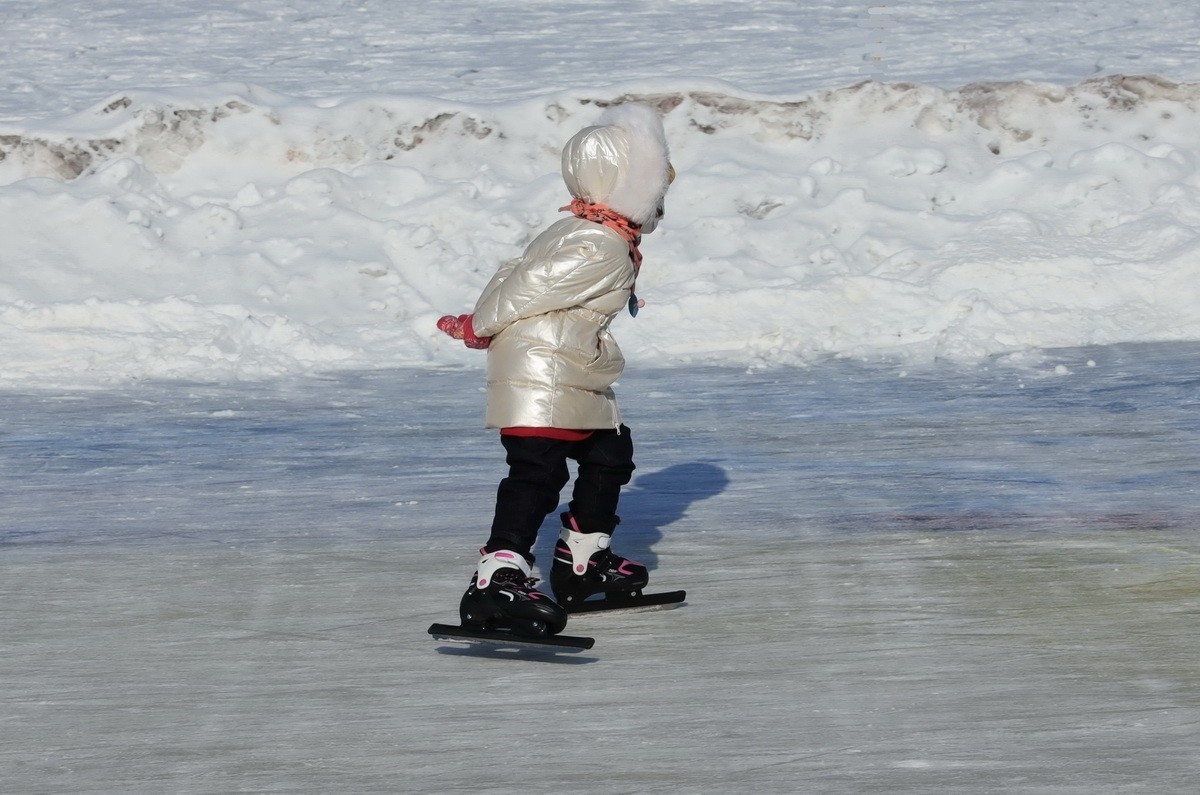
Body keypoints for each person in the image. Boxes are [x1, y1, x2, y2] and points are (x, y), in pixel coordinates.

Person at [436, 103, 674, 637]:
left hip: (570, 366)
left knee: (610, 453)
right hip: (546, 372)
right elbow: (527, 286)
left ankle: (582, 561)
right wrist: (481, 323)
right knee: (537, 473)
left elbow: (511, 272)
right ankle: (495, 581)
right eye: (658, 184)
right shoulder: (600, 243)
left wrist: (483, 317)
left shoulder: (580, 230)